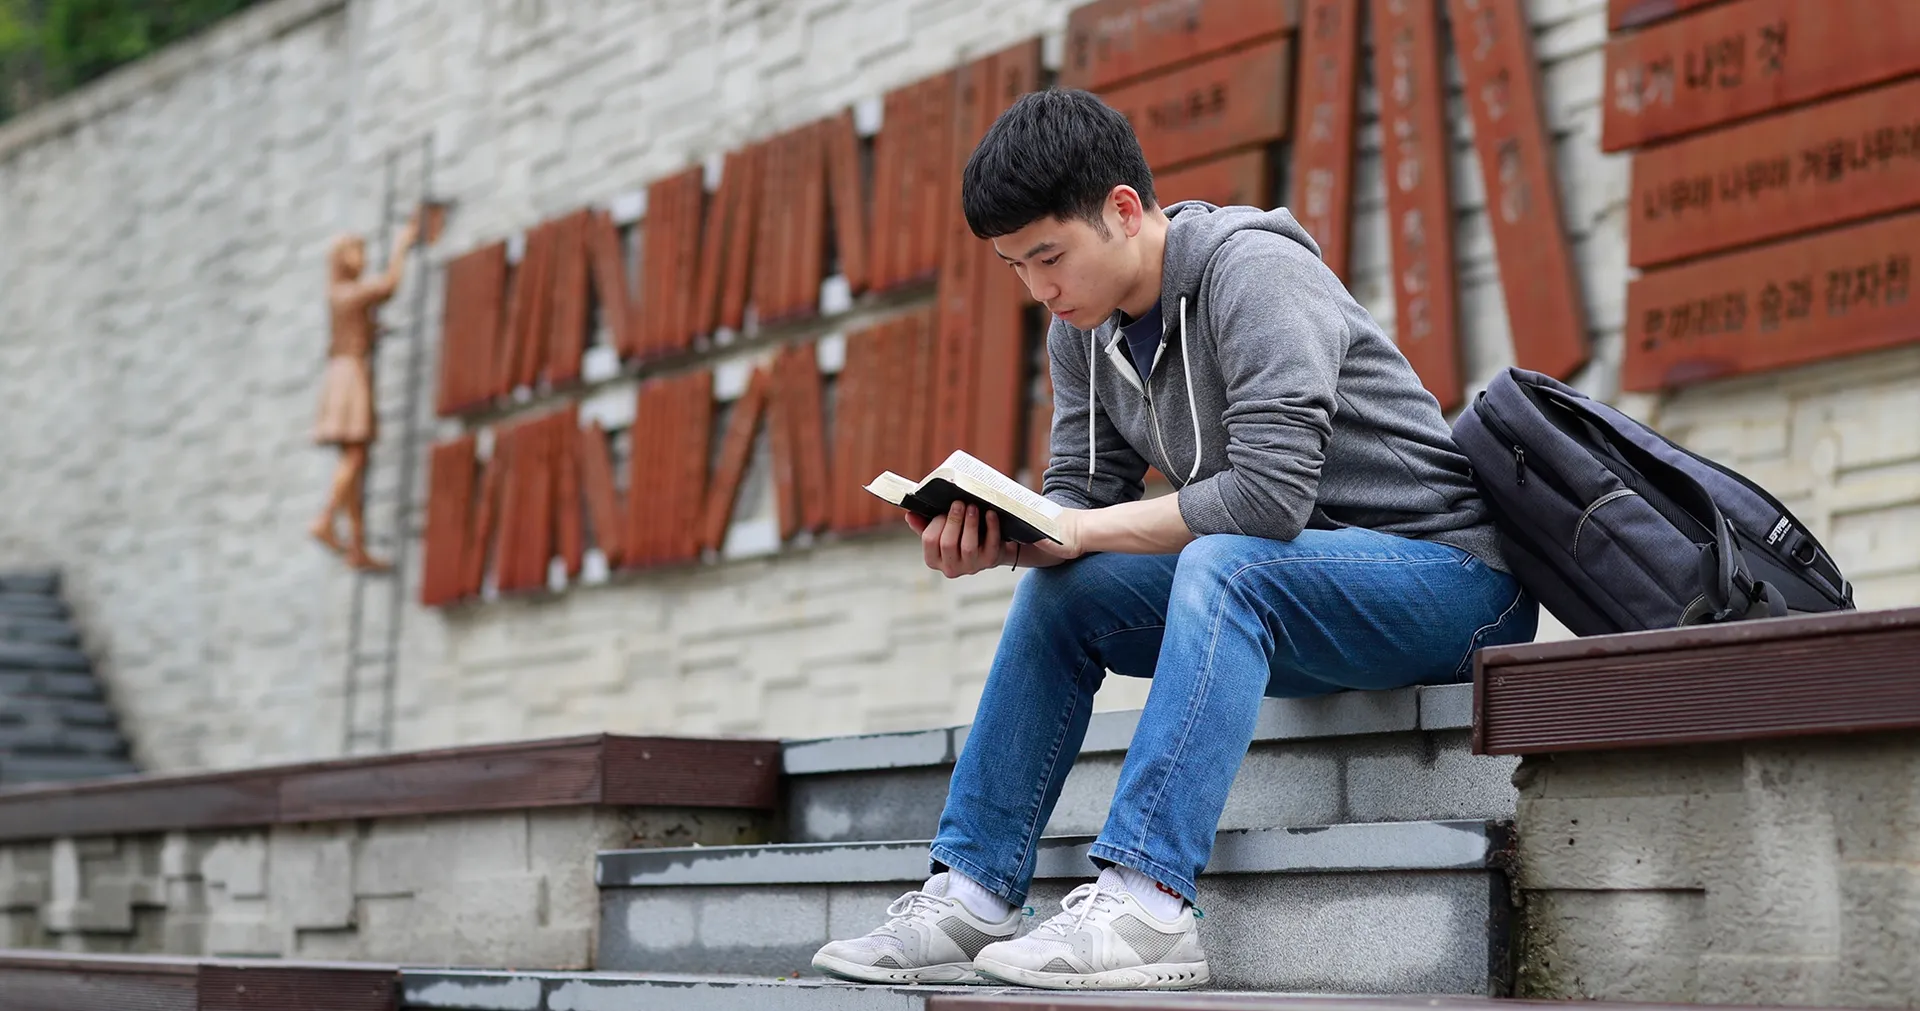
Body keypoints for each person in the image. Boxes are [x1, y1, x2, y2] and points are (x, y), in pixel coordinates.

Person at [810, 89, 1537, 991]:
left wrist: (1080, 527)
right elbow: (1083, 502)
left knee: (1225, 564)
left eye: (1049, 256)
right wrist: (1017, 535)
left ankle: (1149, 902)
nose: (1039, 289)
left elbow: (1269, 497)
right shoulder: (1082, 331)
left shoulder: (1255, 270)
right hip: (1300, 593)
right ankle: (972, 891)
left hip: (1455, 586)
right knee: (1067, 593)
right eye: (1015, 266)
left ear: (1123, 210)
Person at [311, 215, 419, 571]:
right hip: (349, 375)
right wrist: (402, 245)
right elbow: (388, 286)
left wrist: (374, 331)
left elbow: (363, 325)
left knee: (355, 462)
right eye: (357, 251)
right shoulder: (345, 292)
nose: (363, 258)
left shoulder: (340, 295)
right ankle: (326, 518)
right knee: (356, 454)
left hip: (343, 373)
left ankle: (356, 544)